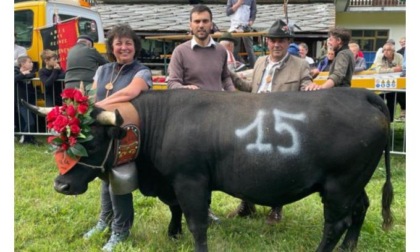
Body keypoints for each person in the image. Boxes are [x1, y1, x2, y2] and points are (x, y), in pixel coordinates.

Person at [229, 19, 312, 224]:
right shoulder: (260, 62)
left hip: (281, 126)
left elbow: (307, 85)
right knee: (247, 166)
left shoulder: (300, 65)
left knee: (277, 169)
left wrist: (312, 87)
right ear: (267, 42)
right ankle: (247, 204)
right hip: (255, 123)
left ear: (288, 42)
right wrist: (228, 73)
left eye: (281, 41)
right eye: (273, 40)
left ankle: (276, 208)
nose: (277, 45)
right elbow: (251, 88)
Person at [85, 24, 152, 252]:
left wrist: (94, 108)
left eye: (128, 43)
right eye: (119, 43)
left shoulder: (141, 71)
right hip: (105, 139)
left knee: (119, 181)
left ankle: (120, 230)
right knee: (105, 178)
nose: (124, 47)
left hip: (129, 136)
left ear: (135, 47)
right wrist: (89, 107)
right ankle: (104, 221)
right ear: (112, 47)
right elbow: (92, 94)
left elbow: (130, 93)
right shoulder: (102, 71)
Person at [167, 4, 235, 223]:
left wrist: (235, 97)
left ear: (211, 23)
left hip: (217, 118)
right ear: (190, 25)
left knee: (213, 165)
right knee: (193, 167)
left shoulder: (221, 51)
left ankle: (206, 208)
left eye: (205, 21)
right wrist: (187, 90)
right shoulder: (181, 52)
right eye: (197, 21)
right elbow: (172, 83)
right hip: (190, 120)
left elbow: (225, 78)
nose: (201, 25)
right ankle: (193, 210)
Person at [373, 41, 404, 123]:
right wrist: (393, 69)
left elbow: (401, 69)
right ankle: (378, 120)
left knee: (392, 101)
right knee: (379, 102)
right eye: (384, 50)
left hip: (393, 84)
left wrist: (386, 70)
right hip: (381, 83)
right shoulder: (380, 56)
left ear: (393, 51)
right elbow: (378, 70)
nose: (385, 52)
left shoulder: (399, 56)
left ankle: (390, 121)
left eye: (388, 50)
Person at [226, 0, 257, 68]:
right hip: (234, 28)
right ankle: (234, 68)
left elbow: (253, 11)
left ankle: (254, 68)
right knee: (235, 50)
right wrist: (238, 4)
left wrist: (251, 20)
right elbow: (228, 12)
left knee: (250, 50)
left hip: (246, 27)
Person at [14, 55, 37, 144]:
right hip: (21, 102)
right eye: (29, 62)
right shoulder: (15, 71)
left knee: (30, 121)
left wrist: (26, 74)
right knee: (30, 122)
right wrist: (22, 74)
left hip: (30, 101)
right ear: (23, 64)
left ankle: (29, 139)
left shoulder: (31, 72)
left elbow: (32, 75)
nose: (32, 64)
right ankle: (24, 138)